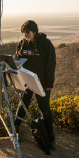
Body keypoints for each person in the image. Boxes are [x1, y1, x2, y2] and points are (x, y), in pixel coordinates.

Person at [15, 19, 57, 148]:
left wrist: (49, 83)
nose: (25, 35)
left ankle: (51, 137)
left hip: (42, 83)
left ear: (34, 31)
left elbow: (51, 64)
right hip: (27, 81)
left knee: (45, 109)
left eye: (27, 32)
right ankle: (15, 129)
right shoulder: (22, 44)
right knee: (23, 105)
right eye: (23, 33)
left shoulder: (46, 44)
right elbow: (17, 60)